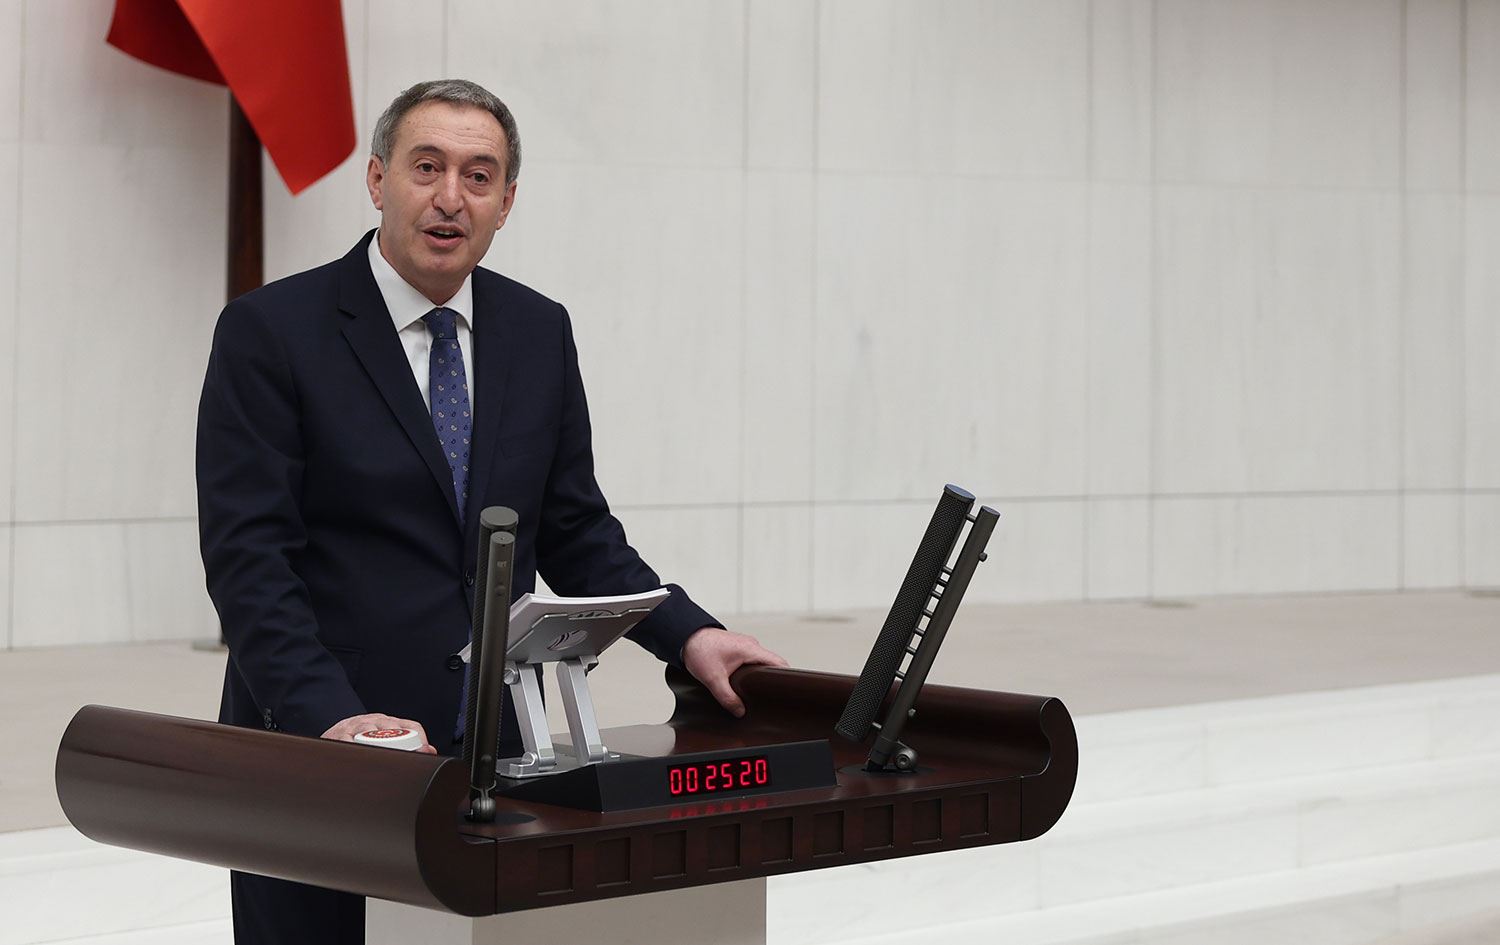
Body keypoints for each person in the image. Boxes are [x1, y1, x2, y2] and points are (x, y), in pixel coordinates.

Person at [196, 78, 786, 945]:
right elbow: (250, 561)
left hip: (495, 754)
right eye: (425, 167)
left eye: (479, 176)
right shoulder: (271, 330)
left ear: (506, 202)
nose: (450, 197)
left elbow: (577, 529)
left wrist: (690, 633)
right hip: (318, 753)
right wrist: (331, 715)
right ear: (377, 179)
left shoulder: (537, 329)